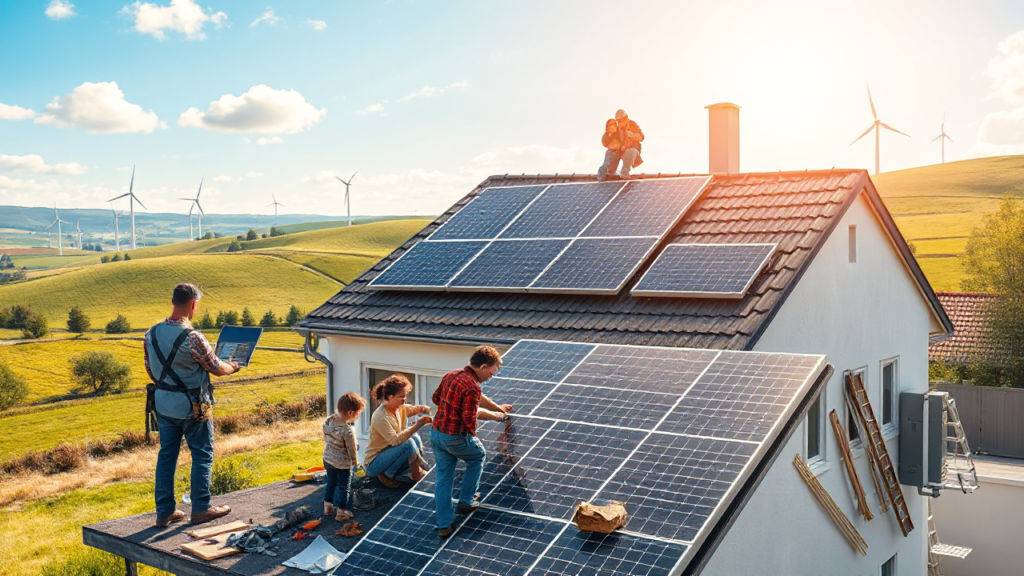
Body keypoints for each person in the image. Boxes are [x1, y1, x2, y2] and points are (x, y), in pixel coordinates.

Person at [144, 283, 241, 527]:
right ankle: (201, 508)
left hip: (163, 405)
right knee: (202, 453)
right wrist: (234, 366)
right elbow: (217, 368)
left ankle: (165, 511)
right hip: (196, 406)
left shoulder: (150, 334)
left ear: (172, 301)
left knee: (167, 456)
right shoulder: (194, 337)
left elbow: (151, 372)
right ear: (193, 305)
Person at [431, 345, 513, 538]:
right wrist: (490, 421)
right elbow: (470, 421)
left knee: (443, 479)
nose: (491, 377)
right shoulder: (472, 387)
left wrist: (497, 408)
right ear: (483, 366)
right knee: (478, 457)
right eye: (491, 372)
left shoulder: (451, 375)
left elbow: (436, 399)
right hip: (455, 438)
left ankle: (444, 524)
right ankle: (466, 501)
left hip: (436, 434)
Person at [364, 375, 432, 489]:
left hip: (390, 457)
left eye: (405, 395)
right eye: (401, 396)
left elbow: (415, 409)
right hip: (375, 464)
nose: (404, 399)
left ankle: (392, 473)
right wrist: (418, 425)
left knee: (414, 438)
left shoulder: (399, 408)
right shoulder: (381, 416)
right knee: (408, 443)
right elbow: (395, 440)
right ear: (390, 397)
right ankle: (416, 473)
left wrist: (429, 409)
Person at [323, 392, 365, 521]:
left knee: (331, 483)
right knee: (344, 487)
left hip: (328, 459)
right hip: (342, 464)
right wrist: (356, 463)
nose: (358, 416)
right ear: (350, 413)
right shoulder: (347, 430)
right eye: (358, 414)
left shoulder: (329, 421)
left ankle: (327, 508)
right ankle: (341, 512)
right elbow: (351, 449)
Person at [597, 109, 644, 181]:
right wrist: (610, 133)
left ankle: (624, 174)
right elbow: (605, 142)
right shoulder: (616, 128)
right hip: (620, 151)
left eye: (620, 121)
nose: (618, 123)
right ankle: (606, 174)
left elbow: (641, 137)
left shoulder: (631, 124)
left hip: (631, 151)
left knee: (629, 152)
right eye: (617, 121)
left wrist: (633, 135)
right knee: (610, 153)